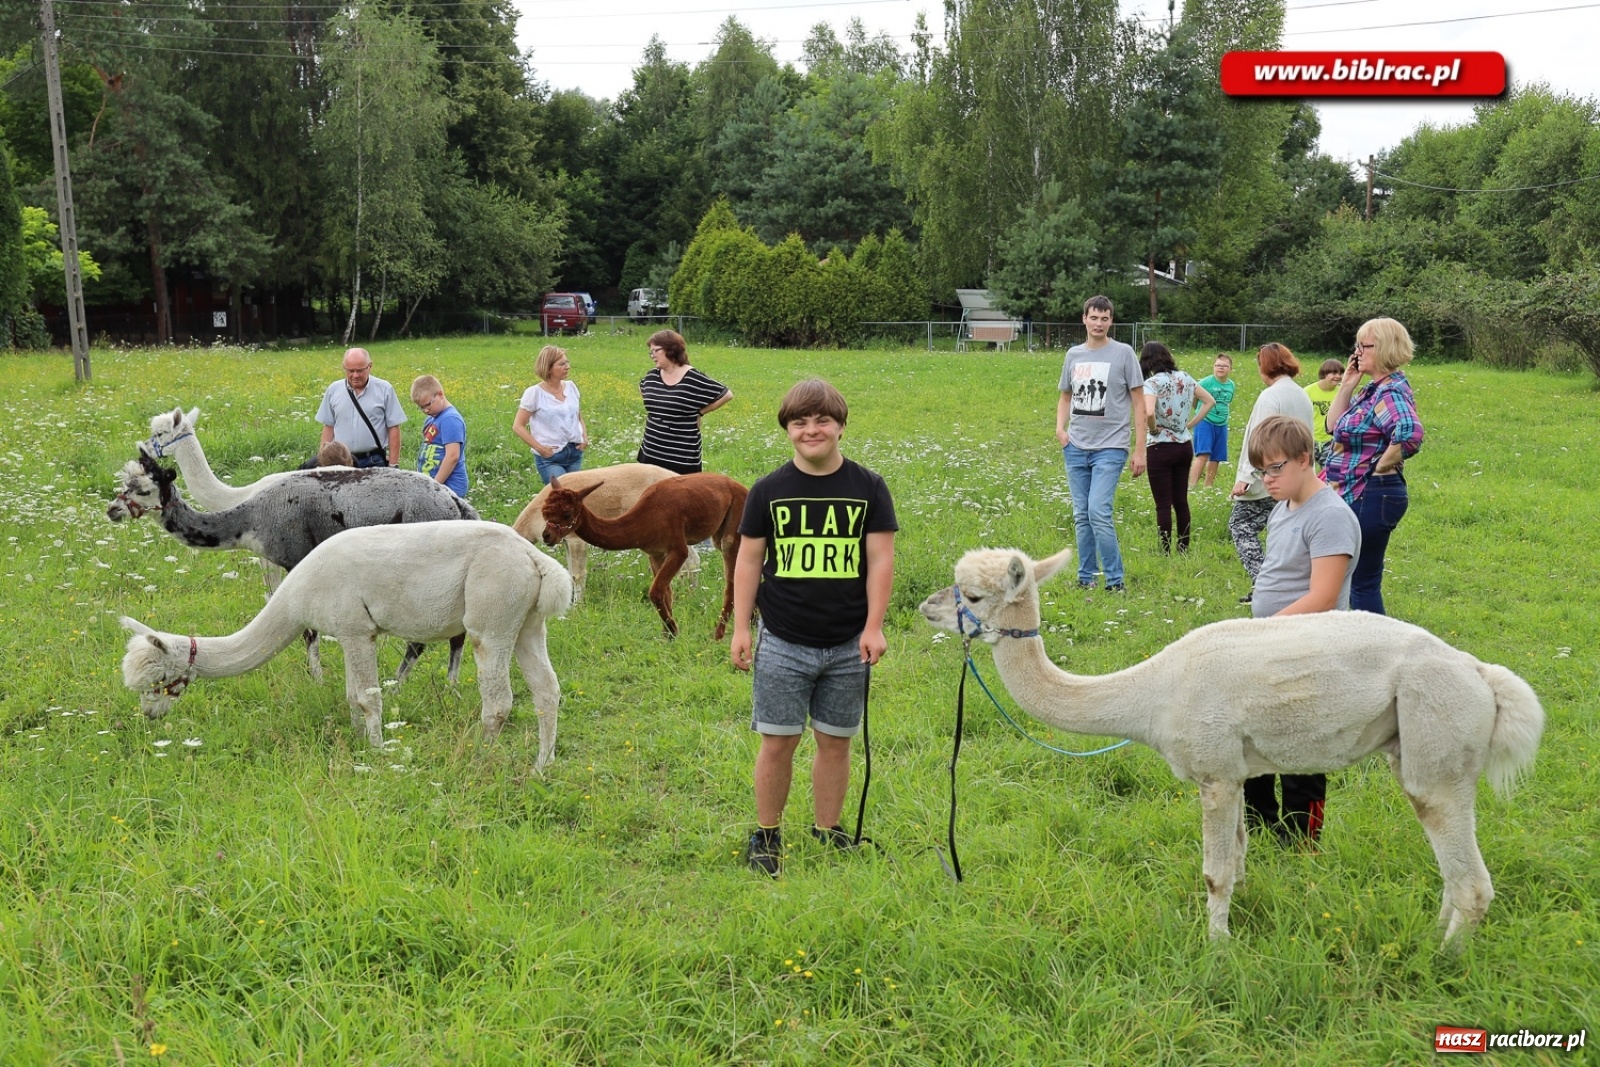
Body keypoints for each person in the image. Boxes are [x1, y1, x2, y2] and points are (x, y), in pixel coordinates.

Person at [729, 379, 897, 878]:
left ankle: (828, 829)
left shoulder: (868, 487)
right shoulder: (768, 491)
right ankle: (767, 834)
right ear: (787, 430)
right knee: (778, 741)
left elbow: (881, 558)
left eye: (822, 420)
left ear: (841, 425)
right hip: (782, 640)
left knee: (836, 740)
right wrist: (742, 626)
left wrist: (874, 626)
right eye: (799, 422)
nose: (811, 430)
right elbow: (748, 560)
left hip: (848, 643)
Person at [1239, 415, 1360, 846]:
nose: (1267, 479)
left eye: (1275, 468)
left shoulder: (1330, 517)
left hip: (1308, 652)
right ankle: (1258, 824)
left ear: (1305, 459)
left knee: (1301, 750)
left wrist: (1265, 630)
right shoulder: (1283, 507)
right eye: (1260, 470)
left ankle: (1300, 841)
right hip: (1272, 646)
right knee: (1257, 742)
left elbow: (1324, 596)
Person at [1323, 317, 1424, 616]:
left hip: (1371, 493)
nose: (1356, 353)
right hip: (1362, 493)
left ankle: (1373, 651)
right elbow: (1332, 426)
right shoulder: (1372, 390)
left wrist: (1379, 467)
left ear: (1384, 349)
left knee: (1361, 582)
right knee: (1356, 579)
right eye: (1356, 346)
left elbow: (1410, 433)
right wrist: (1346, 386)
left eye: (1363, 346)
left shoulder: (1389, 392)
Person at [1055, 295, 1146, 592]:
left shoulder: (1123, 353)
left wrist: (1140, 449)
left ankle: (1115, 580)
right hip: (1076, 446)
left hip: (1111, 447)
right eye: (1093, 318)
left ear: (1111, 321)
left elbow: (1138, 402)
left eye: (1104, 318)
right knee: (1081, 515)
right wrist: (1060, 429)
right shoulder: (1073, 355)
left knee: (1098, 511)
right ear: (1084, 319)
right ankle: (1086, 577)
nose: (1098, 323)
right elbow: (1066, 396)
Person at [1229, 343, 1315, 604]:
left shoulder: (1270, 396)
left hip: (1270, 477)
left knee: (1240, 525)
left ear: (1265, 366)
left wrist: (1247, 476)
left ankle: (1265, 585)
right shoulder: (1301, 394)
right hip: (1297, 476)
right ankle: (1285, 586)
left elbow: (1262, 439)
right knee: (1282, 532)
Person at [1140, 342, 1214, 554]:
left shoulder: (1152, 383)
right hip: (1183, 445)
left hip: (1159, 447)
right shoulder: (1185, 378)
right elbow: (1209, 401)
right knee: (1181, 501)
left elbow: (1149, 413)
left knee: (1163, 504)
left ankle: (1164, 550)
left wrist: (1153, 430)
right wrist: (1189, 424)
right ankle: (1183, 548)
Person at [637, 329, 731, 475]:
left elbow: (726, 394)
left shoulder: (692, 378)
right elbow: (642, 388)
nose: (652, 356)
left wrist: (700, 412)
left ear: (671, 349)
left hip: (681, 457)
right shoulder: (651, 376)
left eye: (655, 351)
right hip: (651, 452)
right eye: (651, 352)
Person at [314, 347, 405, 468]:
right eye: (350, 371)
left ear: (370, 366)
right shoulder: (333, 390)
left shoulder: (385, 389)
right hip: (341, 461)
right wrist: (323, 461)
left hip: (373, 461)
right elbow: (329, 427)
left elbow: (393, 427)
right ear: (343, 367)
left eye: (360, 370)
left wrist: (393, 464)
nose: (355, 375)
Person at [514, 345, 588, 485]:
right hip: (551, 457)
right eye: (562, 364)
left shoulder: (571, 387)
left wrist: (584, 437)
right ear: (548, 368)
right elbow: (518, 426)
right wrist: (540, 449)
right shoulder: (534, 393)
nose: (567, 366)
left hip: (574, 452)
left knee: (574, 497)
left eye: (567, 362)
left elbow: (578, 416)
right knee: (561, 496)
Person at [411, 374, 468, 498]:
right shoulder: (432, 419)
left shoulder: (450, 419)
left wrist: (435, 486)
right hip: (433, 487)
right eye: (421, 407)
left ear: (440, 394)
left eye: (428, 404)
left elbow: (452, 456)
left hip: (448, 487)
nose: (426, 410)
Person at [1189, 353, 1236, 489]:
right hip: (1205, 421)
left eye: (1224, 366)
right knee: (1203, 454)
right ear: (1213, 367)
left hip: (1222, 423)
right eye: (1218, 365)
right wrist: (1199, 410)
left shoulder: (1231, 385)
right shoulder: (1205, 382)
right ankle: (1191, 486)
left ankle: (1208, 486)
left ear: (1230, 369)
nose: (1220, 368)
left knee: (1216, 457)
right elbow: (1194, 398)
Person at [1304, 359, 1345, 470]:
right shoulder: (1307, 392)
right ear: (1324, 373)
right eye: (1334, 373)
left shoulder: (1343, 392)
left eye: (1340, 373)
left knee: (1331, 473)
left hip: (1331, 441)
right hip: (1309, 440)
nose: (1338, 376)